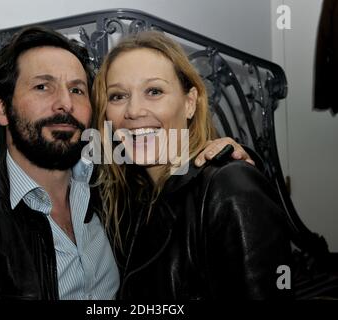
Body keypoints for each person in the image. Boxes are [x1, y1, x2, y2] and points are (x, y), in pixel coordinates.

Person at [0, 26, 252, 300]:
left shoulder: (117, 190)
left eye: (77, 89)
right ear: (1, 108)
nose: (65, 103)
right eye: (42, 86)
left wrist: (229, 159)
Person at [92, 31, 293, 300]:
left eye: (154, 91)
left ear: (189, 103)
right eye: (118, 96)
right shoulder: (130, 202)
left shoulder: (229, 187)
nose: (134, 110)